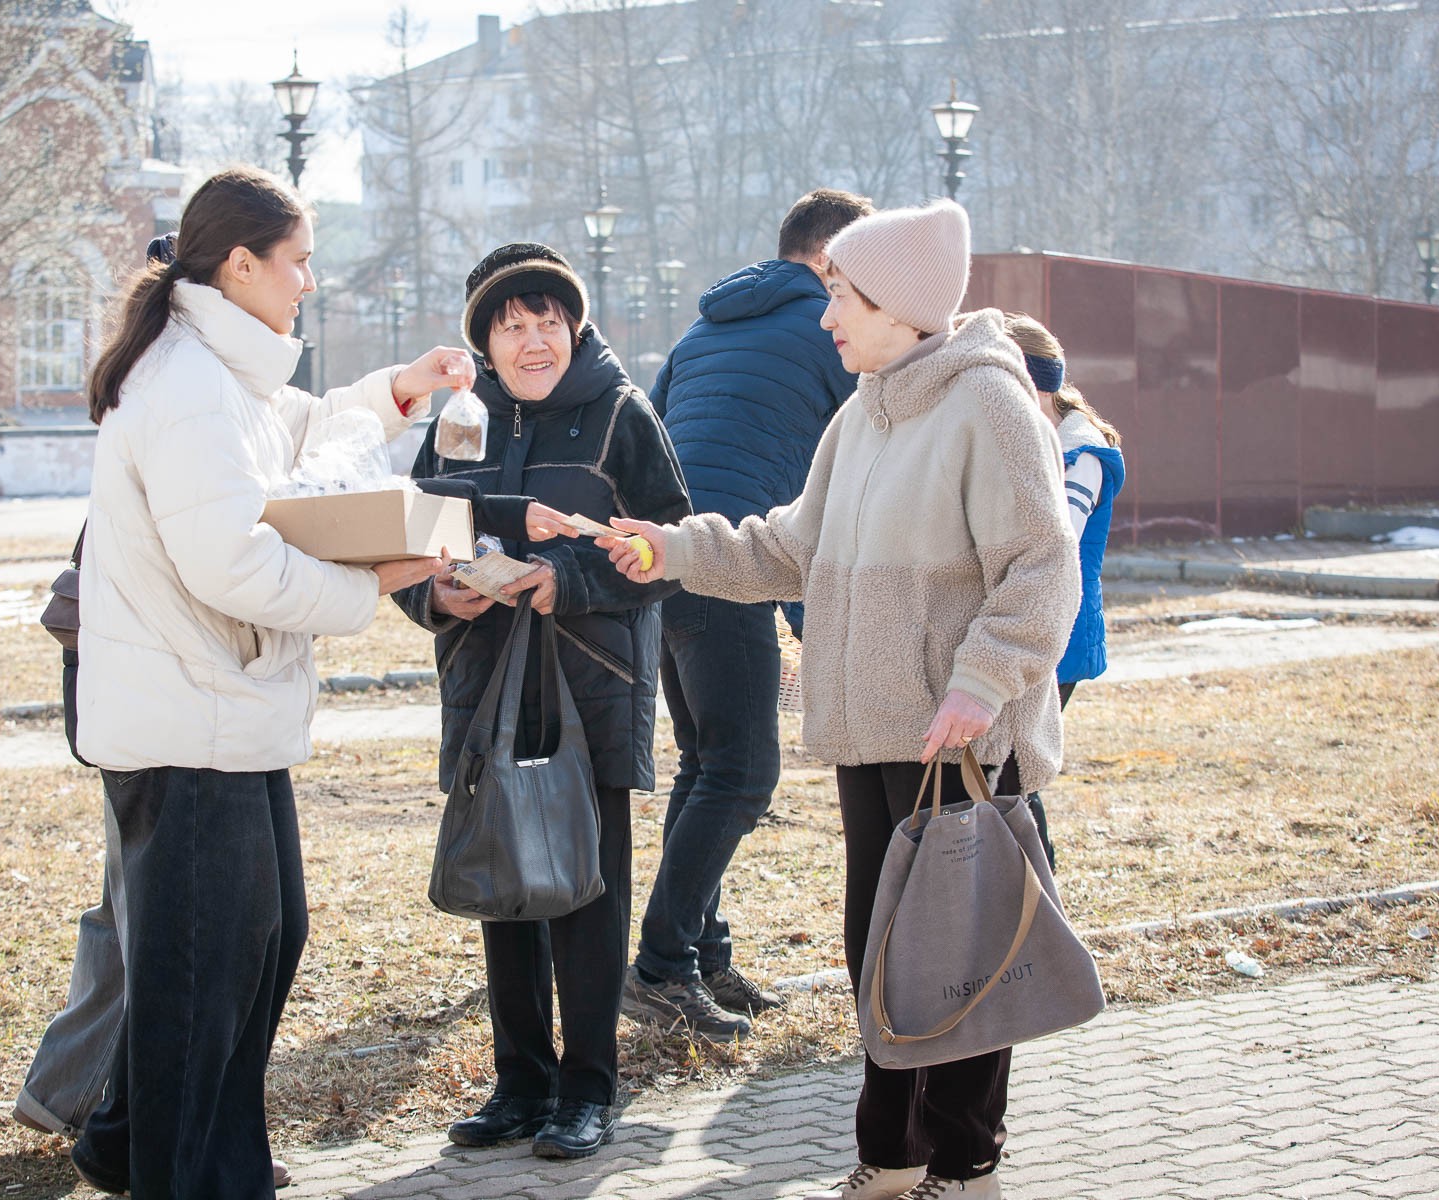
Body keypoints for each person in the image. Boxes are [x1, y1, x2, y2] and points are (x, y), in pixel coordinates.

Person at [600, 200, 1078, 1200]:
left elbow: (1042, 567)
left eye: (841, 297)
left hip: (961, 743)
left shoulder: (988, 403)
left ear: (898, 308)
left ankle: (967, 1165)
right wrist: (671, 548)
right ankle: (894, 1158)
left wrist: (982, 683)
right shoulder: (861, 416)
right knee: (882, 955)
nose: (825, 318)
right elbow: (788, 548)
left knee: (960, 958)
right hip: (871, 735)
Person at [60, 165, 463, 1200]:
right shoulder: (189, 386)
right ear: (240, 265)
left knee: (250, 951)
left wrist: (400, 391)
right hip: (192, 725)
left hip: (219, 714)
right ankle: (190, 1173)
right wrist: (366, 587)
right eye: (299, 261)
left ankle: (134, 1140)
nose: (310, 281)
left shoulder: (218, 372)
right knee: (209, 975)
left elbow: (298, 432)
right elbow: (232, 562)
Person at [394, 242, 691, 1160]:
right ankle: (519, 1086)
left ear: (575, 327)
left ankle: (588, 1090)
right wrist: (436, 597)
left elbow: (671, 549)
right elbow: (409, 538)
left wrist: (568, 577)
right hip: (485, 685)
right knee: (503, 883)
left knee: (586, 893)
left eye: (548, 322)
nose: (532, 342)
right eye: (512, 326)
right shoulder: (460, 420)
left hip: (589, 689)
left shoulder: (620, 414)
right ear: (484, 341)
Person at [622, 188, 873, 1043]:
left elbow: (650, 435)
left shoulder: (703, 328)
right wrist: (812, 615)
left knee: (705, 765)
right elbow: (851, 476)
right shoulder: (836, 331)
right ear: (830, 259)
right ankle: (661, 968)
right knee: (742, 773)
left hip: (667, 558)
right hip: (732, 562)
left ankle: (702, 954)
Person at [997, 313, 1127, 871]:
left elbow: (1057, 544)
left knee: (1013, 773)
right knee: (1003, 773)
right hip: (1027, 623)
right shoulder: (1034, 438)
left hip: (1057, 630)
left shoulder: (1082, 452)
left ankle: (1038, 894)